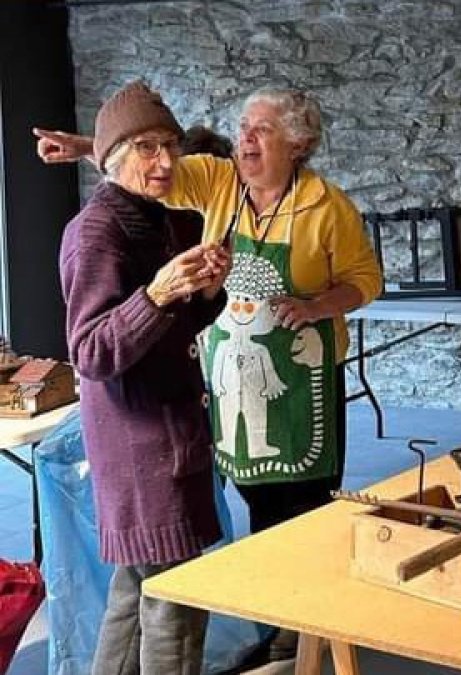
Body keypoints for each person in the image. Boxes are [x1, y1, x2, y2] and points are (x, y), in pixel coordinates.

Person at [38, 88, 382, 661]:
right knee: (179, 569)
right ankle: (275, 634)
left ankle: (291, 639)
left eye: (261, 130)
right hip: (215, 387)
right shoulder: (215, 184)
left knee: (295, 515)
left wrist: (312, 306)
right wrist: (87, 148)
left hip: (295, 381)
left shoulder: (327, 207)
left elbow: (365, 278)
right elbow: (139, 161)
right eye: (243, 127)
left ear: (296, 145)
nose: (243, 139)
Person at [57, 80, 231, 675]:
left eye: (170, 146)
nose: (165, 162)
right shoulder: (96, 233)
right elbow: (91, 350)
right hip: (141, 444)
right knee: (177, 598)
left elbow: (179, 323)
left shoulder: (158, 218)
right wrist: (157, 292)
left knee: (136, 589)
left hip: (167, 434)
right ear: (112, 158)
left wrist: (205, 290)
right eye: (148, 149)